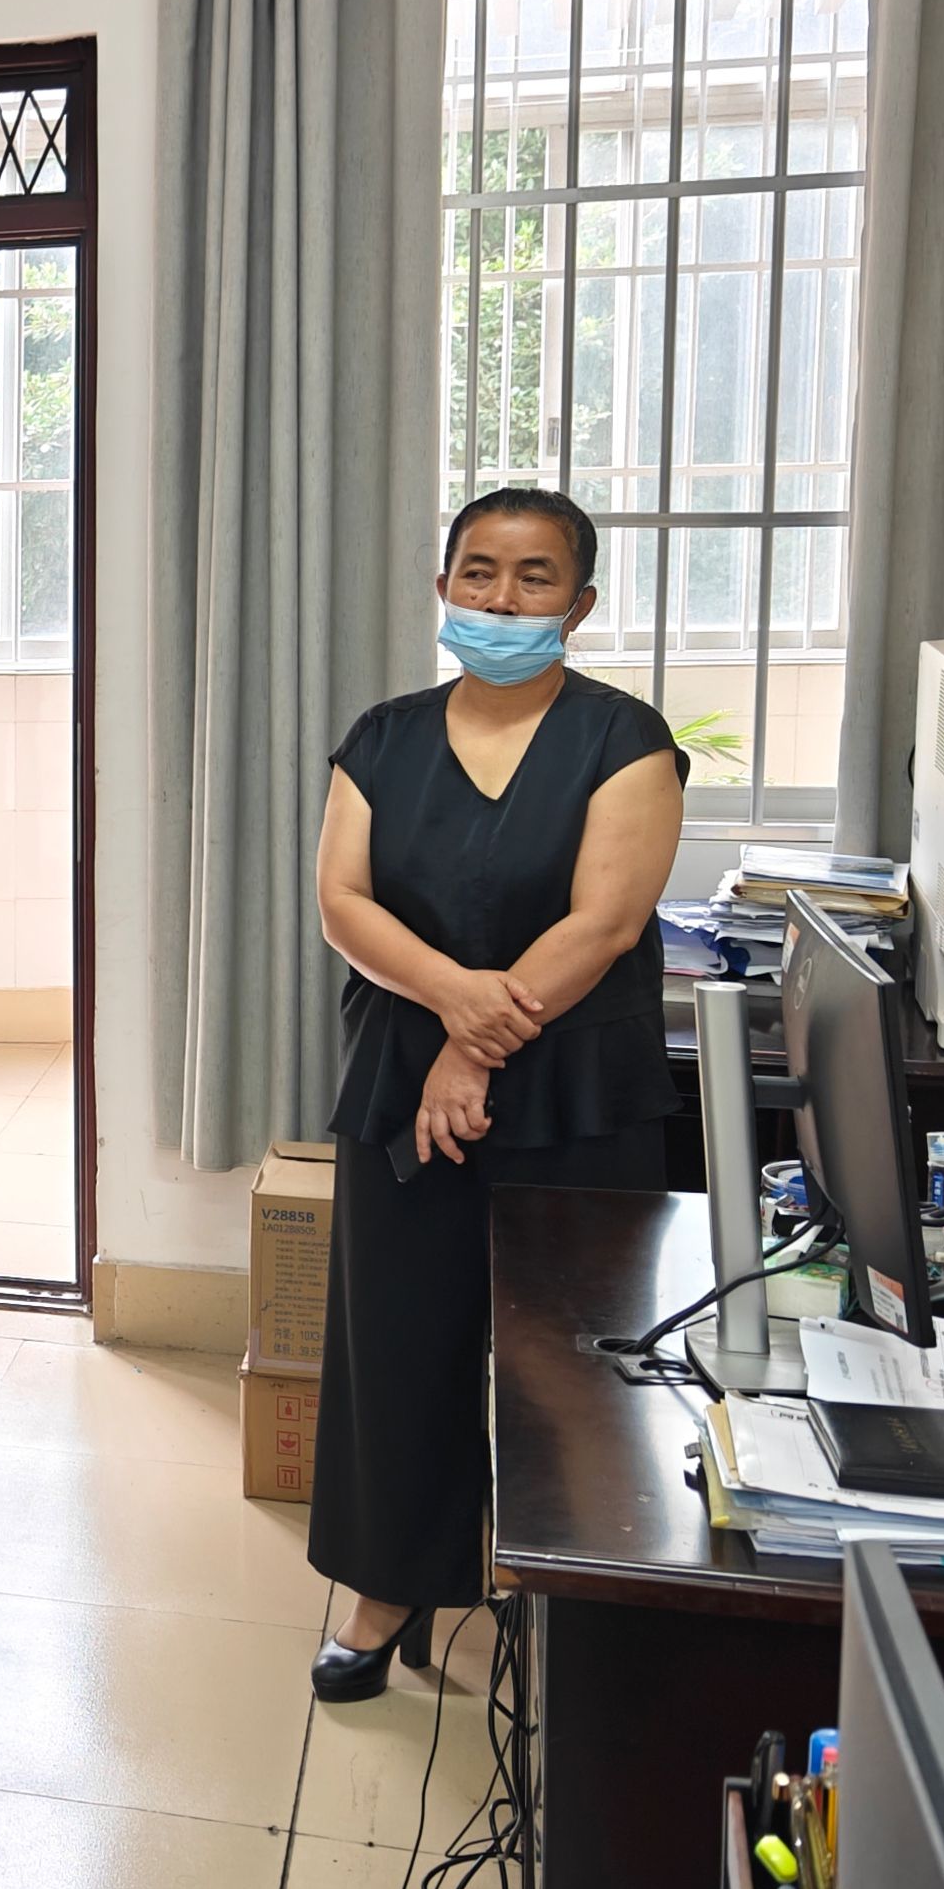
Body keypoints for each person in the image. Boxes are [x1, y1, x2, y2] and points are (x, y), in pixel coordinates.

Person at [306, 485, 686, 1699]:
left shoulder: (625, 741)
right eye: (478, 572)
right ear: (443, 588)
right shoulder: (382, 739)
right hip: (402, 1076)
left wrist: (472, 1047)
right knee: (399, 1341)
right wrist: (452, 1009)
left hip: (575, 1081)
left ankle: (569, 1587)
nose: (501, 598)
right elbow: (343, 903)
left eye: (533, 578)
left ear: (578, 604)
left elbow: (605, 921)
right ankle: (387, 1587)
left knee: (571, 1356)